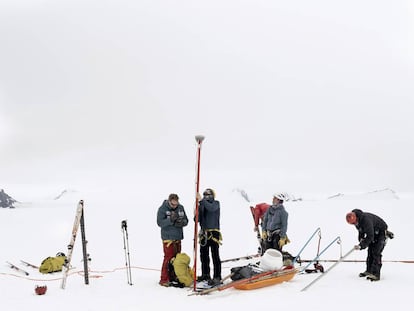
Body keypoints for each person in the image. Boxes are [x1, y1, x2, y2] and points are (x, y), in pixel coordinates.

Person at [346, 209, 394, 281]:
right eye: (352, 224)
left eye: (354, 222)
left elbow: (370, 236)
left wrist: (362, 245)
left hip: (380, 231)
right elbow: (361, 231)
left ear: (356, 217)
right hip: (373, 232)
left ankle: (376, 274)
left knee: (376, 252)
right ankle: (369, 271)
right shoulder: (357, 221)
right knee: (370, 251)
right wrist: (361, 240)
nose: (354, 224)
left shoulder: (366, 220)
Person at [156, 193, 189, 287]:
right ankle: (164, 279)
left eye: (176, 204)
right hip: (168, 238)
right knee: (168, 258)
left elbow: (186, 220)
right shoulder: (162, 209)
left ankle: (174, 276)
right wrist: (170, 220)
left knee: (177, 259)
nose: (175, 206)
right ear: (169, 201)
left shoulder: (181, 208)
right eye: (173, 204)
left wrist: (181, 222)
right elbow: (159, 222)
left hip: (178, 237)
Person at [197, 188, 222, 286]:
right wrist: (197, 211)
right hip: (204, 232)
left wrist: (201, 201)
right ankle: (205, 274)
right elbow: (198, 219)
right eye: (204, 194)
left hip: (213, 233)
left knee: (215, 255)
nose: (206, 196)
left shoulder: (216, 203)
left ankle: (217, 276)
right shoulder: (202, 205)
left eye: (208, 194)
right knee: (203, 255)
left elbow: (211, 209)